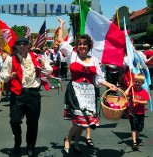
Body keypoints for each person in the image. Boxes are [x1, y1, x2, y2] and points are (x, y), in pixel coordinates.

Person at [55, 18, 118, 154]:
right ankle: (68, 138)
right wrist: (61, 25)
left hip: (89, 92)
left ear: (89, 46)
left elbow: (99, 78)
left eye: (85, 44)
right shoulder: (72, 54)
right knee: (78, 120)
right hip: (75, 90)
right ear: (77, 45)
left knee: (86, 121)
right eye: (80, 44)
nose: (82, 46)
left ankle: (76, 143)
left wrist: (110, 85)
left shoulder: (94, 60)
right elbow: (60, 40)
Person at [0, 37, 53, 157]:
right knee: (14, 121)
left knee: (33, 122)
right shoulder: (10, 59)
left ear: (28, 45)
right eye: (19, 44)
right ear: (16, 46)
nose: (22, 46)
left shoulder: (38, 57)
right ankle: (17, 141)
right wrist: (9, 76)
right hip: (18, 93)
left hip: (33, 93)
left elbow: (49, 71)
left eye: (24, 44)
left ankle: (30, 147)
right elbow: (2, 75)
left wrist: (44, 65)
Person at [124, 74, 149, 151]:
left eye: (139, 82)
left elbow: (145, 102)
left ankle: (137, 138)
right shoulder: (132, 90)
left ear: (142, 83)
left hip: (140, 112)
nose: (137, 83)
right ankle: (134, 142)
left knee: (140, 127)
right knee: (134, 127)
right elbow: (124, 94)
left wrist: (137, 101)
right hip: (132, 112)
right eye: (136, 81)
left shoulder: (144, 92)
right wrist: (130, 86)